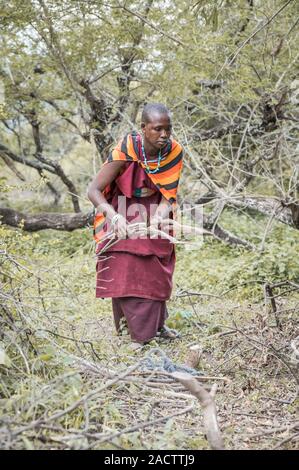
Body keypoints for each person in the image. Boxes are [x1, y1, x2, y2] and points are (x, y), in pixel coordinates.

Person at [87, 103, 183, 349]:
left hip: (155, 214)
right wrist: (114, 218)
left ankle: (157, 326)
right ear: (143, 128)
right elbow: (93, 190)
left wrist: (158, 219)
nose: (164, 135)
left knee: (156, 272)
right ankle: (137, 335)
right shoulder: (126, 148)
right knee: (125, 268)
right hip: (120, 210)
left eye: (167, 129)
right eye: (157, 129)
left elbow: (168, 196)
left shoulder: (174, 152)